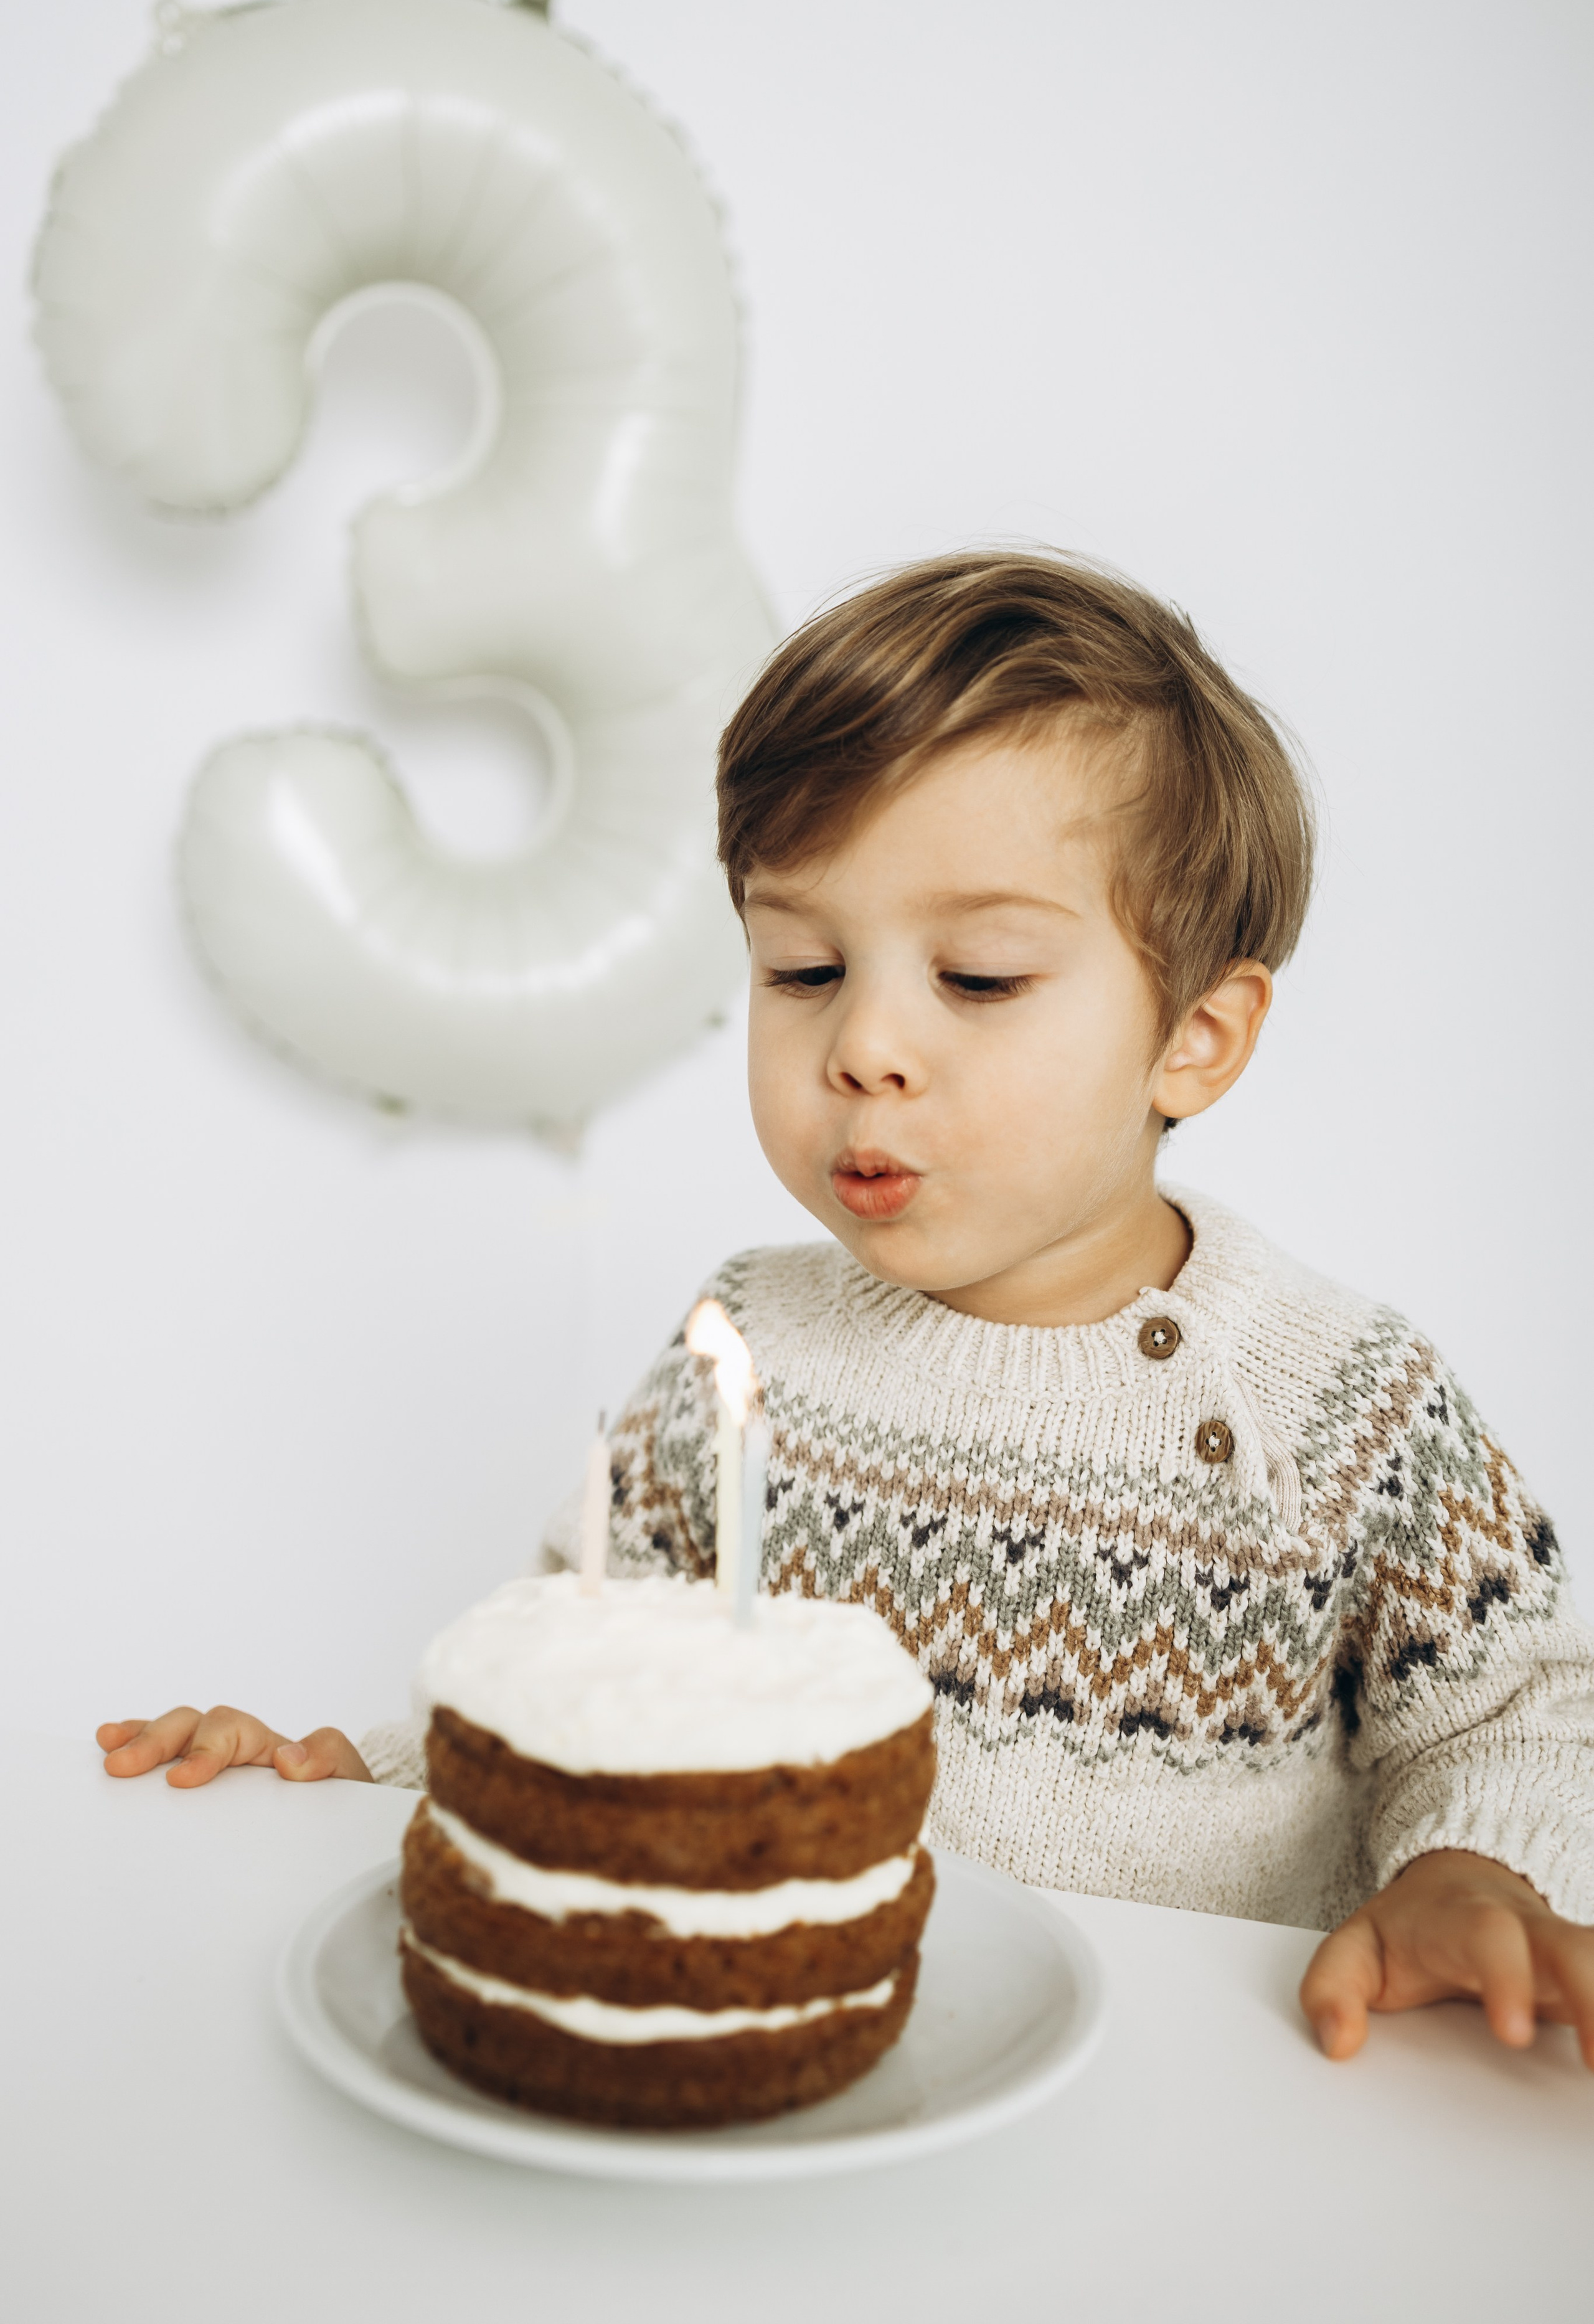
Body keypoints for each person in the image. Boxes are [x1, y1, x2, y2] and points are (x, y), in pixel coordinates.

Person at [100, 551, 1594, 2068]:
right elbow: (585, 1678)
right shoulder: (742, 1356)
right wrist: (350, 1772)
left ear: (1195, 1040)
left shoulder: (1336, 1401)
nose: (864, 1044)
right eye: (801, 966)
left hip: (1205, 2103)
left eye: (980, 975)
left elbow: (1516, 1718)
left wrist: (1470, 1873)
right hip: (818, 2084)